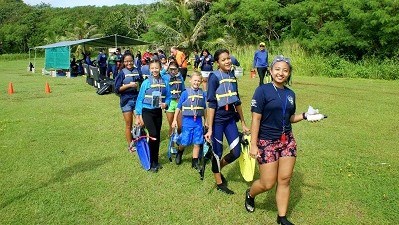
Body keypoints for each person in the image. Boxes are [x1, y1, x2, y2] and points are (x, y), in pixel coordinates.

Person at [244, 55, 326, 225]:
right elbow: (256, 119)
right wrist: (253, 144)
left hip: (287, 140)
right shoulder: (262, 91)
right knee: (267, 183)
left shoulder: (290, 94)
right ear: (271, 71)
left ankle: (282, 217)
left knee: (285, 179)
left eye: (285, 70)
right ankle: (250, 194)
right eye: (278, 69)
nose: (281, 73)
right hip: (266, 142)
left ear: (289, 74)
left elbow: (288, 118)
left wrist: (305, 116)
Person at [204, 49, 250, 195]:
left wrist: (243, 122)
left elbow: (237, 101)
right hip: (217, 119)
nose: (227, 61)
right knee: (217, 152)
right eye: (223, 59)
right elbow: (211, 103)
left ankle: (218, 167)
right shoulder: (214, 77)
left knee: (236, 152)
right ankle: (219, 182)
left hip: (230, 117)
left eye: (228, 58)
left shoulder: (232, 76)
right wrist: (209, 128)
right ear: (217, 62)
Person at [135, 59, 171, 172]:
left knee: (158, 137)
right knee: (153, 134)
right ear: (149, 69)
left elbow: (169, 96)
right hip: (147, 111)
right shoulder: (146, 82)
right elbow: (140, 99)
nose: (154, 70)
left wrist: (166, 104)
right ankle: (150, 161)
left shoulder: (164, 81)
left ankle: (155, 160)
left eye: (156, 68)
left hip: (158, 112)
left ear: (160, 68)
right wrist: (138, 116)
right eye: (152, 68)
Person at [172, 71, 206, 169]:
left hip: (198, 122)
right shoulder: (185, 93)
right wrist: (174, 120)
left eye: (199, 81)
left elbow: (204, 109)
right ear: (190, 80)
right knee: (184, 141)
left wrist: (206, 121)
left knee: (197, 142)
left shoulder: (202, 94)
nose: (196, 82)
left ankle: (194, 161)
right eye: (195, 80)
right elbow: (178, 107)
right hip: (187, 122)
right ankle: (179, 152)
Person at [114, 53, 143, 153]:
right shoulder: (121, 73)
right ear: (123, 62)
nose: (129, 63)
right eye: (126, 61)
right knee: (128, 125)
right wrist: (129, 85)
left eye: (130, 61)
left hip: (137, 100)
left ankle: (138, 137)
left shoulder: (137, 71)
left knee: (141, 122)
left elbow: (142, 84)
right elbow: (117, 89)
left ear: (133, 61)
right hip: (126, 101)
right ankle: (130, 145)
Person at [161, 61, 185, 164]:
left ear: (178, 69)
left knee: (180, 126)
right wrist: (165, 68)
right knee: (171, 125)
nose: (173, 71)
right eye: (171, 69)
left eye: (175, 69)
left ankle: (179, 143)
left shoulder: (181, 77)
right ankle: (172, 146)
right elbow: (159, 74)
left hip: (179, 103)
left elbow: (183, 89)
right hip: (170, 103)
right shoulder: (165, 77)